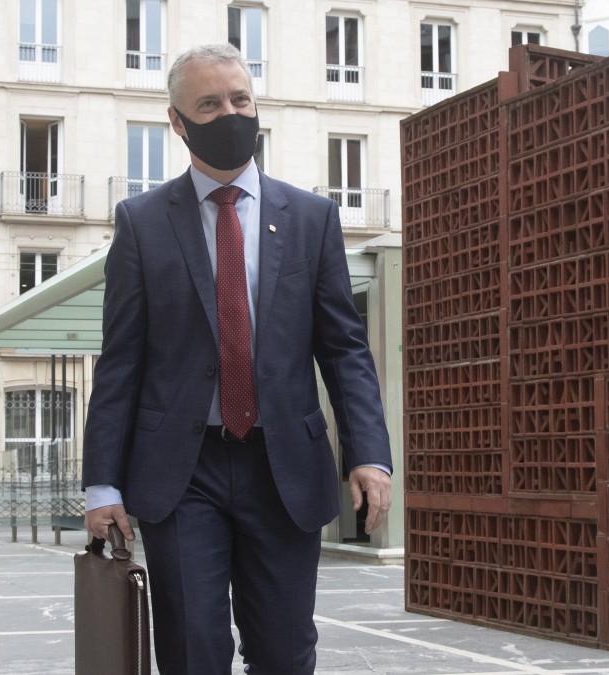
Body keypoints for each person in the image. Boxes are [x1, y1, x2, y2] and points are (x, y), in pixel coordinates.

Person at [82, 43, 393, 674]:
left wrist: (368, 452)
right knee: (193, 649)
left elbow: (344, 349)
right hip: (181, 472)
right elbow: (121, 361)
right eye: (210, 104)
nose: (230, 114)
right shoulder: (141, 223)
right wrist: (102, 482)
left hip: (284, 469)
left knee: (284, 651)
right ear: (177, 120)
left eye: (240, 100)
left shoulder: (311, 218)